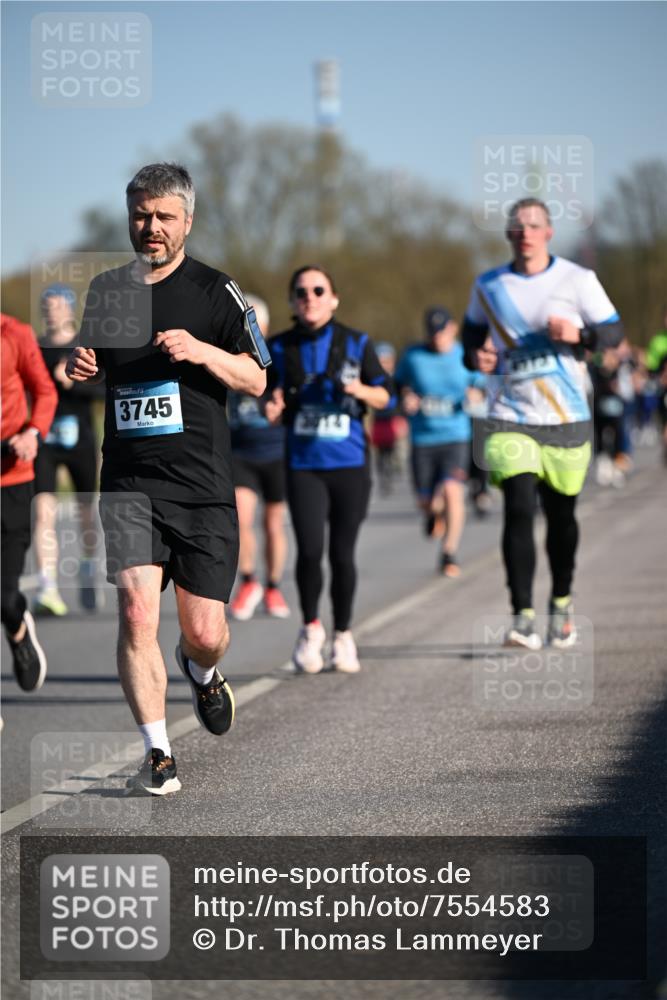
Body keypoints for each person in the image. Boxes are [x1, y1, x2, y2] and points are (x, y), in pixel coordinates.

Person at [66, 163, 267, 795]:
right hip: (128, 480)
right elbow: (97, 362)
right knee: (134, 614)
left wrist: (203, 351)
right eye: (141, 216)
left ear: (187, 221)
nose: (150, 228)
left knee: (204, 632)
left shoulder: (216, 291)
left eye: (163, 218)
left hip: (202, 486)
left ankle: (202, 673)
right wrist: (82, 362)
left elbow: (259, 377)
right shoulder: (106, 289)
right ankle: (158, 752)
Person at [462, 197, 623, 648]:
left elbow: (613, 332)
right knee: (517, 507)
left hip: (565, 416)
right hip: (508, 415)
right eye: (517, 226)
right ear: (509, 235)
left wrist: (581, 336)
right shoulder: (489, 285)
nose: (525, 232)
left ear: (548, 232)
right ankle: (521, 617)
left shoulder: (577, 279)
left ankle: (562, 601)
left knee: (561, 517)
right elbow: (470, 337)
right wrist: (477, 355)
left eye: (534, 225)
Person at [267, 266, 392, 674]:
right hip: (303, 464)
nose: (310, 297)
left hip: (350, 465)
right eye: (301, 291)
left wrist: (358, 390)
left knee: (341, 554)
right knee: (309, 551)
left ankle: (343, 635)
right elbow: (265, 396)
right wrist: (271, 406)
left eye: (319, 290)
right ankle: (310, 629)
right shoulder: (279, 347)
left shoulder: (356, 342)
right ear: (292, 301)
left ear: (334, 298)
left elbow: (384, 396)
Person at [396, 307, 486, 577]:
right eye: (432, 333)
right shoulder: (413, 356)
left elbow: (482, 384)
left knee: (452, 490)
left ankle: (449, 552)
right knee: (426, 501)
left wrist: (477, 395)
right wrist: (405, 398)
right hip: (423, 438)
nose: (438, 338)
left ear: (453, 328)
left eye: (442, 331)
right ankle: (433, 514)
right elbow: (396, 385)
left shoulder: (463, 356)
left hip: (455, 436)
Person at [32, 284, 105, 616]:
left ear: (70, 309)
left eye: (58, 305)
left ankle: (88, 568)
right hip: (45, 442)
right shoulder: (35, 348)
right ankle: (48, 587)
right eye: (47, 305)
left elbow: (104, 388)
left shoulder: (85, 346)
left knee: (86, 513)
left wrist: (71, 381)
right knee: (42, 511)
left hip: (81, 441)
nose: (52, 310)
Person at [1, 313, 57, 691]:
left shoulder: (13, 333)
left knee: (4, 597)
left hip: (12, 480)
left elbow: (46, 391)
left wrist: (33, 433)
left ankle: (18, 629)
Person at [227, 295, 290, 621]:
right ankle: (249, 582)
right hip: (240, 452)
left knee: (273, 524)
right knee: (241, 518)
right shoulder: (228, 355)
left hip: (275, 451)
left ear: (262, 326)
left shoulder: (277, 357)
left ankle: (274, 586)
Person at [369, 341, 407, 496]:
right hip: (379, 421)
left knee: (396, 452)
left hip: (395, 419)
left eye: (387, 361)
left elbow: (403, 400)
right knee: (381, 453)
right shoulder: (373, 380)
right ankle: (385, 477)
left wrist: (403, 419)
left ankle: (395, 469)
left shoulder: (398, 379)